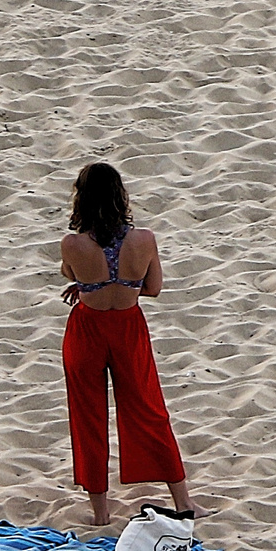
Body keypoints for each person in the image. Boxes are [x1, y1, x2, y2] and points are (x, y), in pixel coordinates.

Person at [59, 162, 207, 525]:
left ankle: (100, 514)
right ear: (119, 196)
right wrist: (122, 286)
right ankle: (183, 500)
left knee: (88, 417)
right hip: (128, 328)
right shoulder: (143, 240)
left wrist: (87, 287)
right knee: (149, 410)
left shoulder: (72, 243)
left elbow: (73, 274)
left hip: (87, 330)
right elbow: (153, 288)